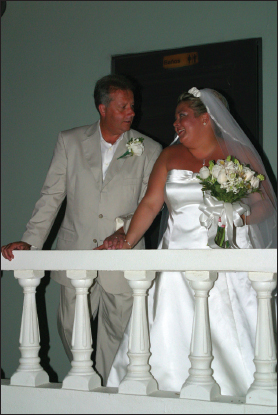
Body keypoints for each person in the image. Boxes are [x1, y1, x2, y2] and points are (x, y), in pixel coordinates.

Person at [104, 87, 277, 396]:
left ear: (206, 118)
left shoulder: (238, 154)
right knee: (170, 329)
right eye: (175, 118)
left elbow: (265, 205)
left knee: (229, 329)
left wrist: (237, 217)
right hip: (176, 262)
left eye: (182, 116)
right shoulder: (169, 156)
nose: (176, 124)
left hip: (227, 259)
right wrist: (127, 241)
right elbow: (150, 204)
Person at [1, 74, 162, 385]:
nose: (132, 112)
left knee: (117, 340)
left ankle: (103, 396)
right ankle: (85, 386)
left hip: (123, 257)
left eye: (132, 105)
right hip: (76, 255)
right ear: (102, 108)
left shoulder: (149, 148)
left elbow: (148, 204)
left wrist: (123, 231)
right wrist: (29, 243)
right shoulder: (69, 141)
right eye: (123, 106)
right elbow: (51, 197)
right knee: (73, 332)